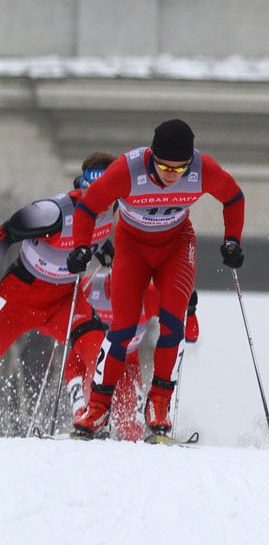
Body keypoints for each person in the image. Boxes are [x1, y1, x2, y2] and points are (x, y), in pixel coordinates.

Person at [68, 118, 245, 438]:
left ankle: (159, 402)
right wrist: (81, 247)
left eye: (179, 170)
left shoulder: (202, 169)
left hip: (175, 246)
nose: (170, 175)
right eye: (164, 167)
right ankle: (97, 408)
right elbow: (88, 206)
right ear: (153, 157)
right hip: (132, 246)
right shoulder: (127, 169)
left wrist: (232, 240)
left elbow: (233, 197)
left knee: (172, 322)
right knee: (122, 327)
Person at [0, 153, 116, 425]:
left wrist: (104, 249)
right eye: (95, 195)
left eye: (109, 196)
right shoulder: (52, 212)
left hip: (65, 300)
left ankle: (91, 416)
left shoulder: (115, 206)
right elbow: (5, 234)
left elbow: (97, 234)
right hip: (20, 296)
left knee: (101, 350)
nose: (103, 205)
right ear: (83, 188)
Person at [79, 269, 200, 441]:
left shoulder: (148, 295)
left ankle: (146, 441)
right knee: (87, 380)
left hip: (128, 365)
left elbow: (191, 336)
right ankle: (82, 425)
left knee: (131, 428)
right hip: (92, 363)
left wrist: (190, 309)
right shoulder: (92, 286)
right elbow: (63, 303)